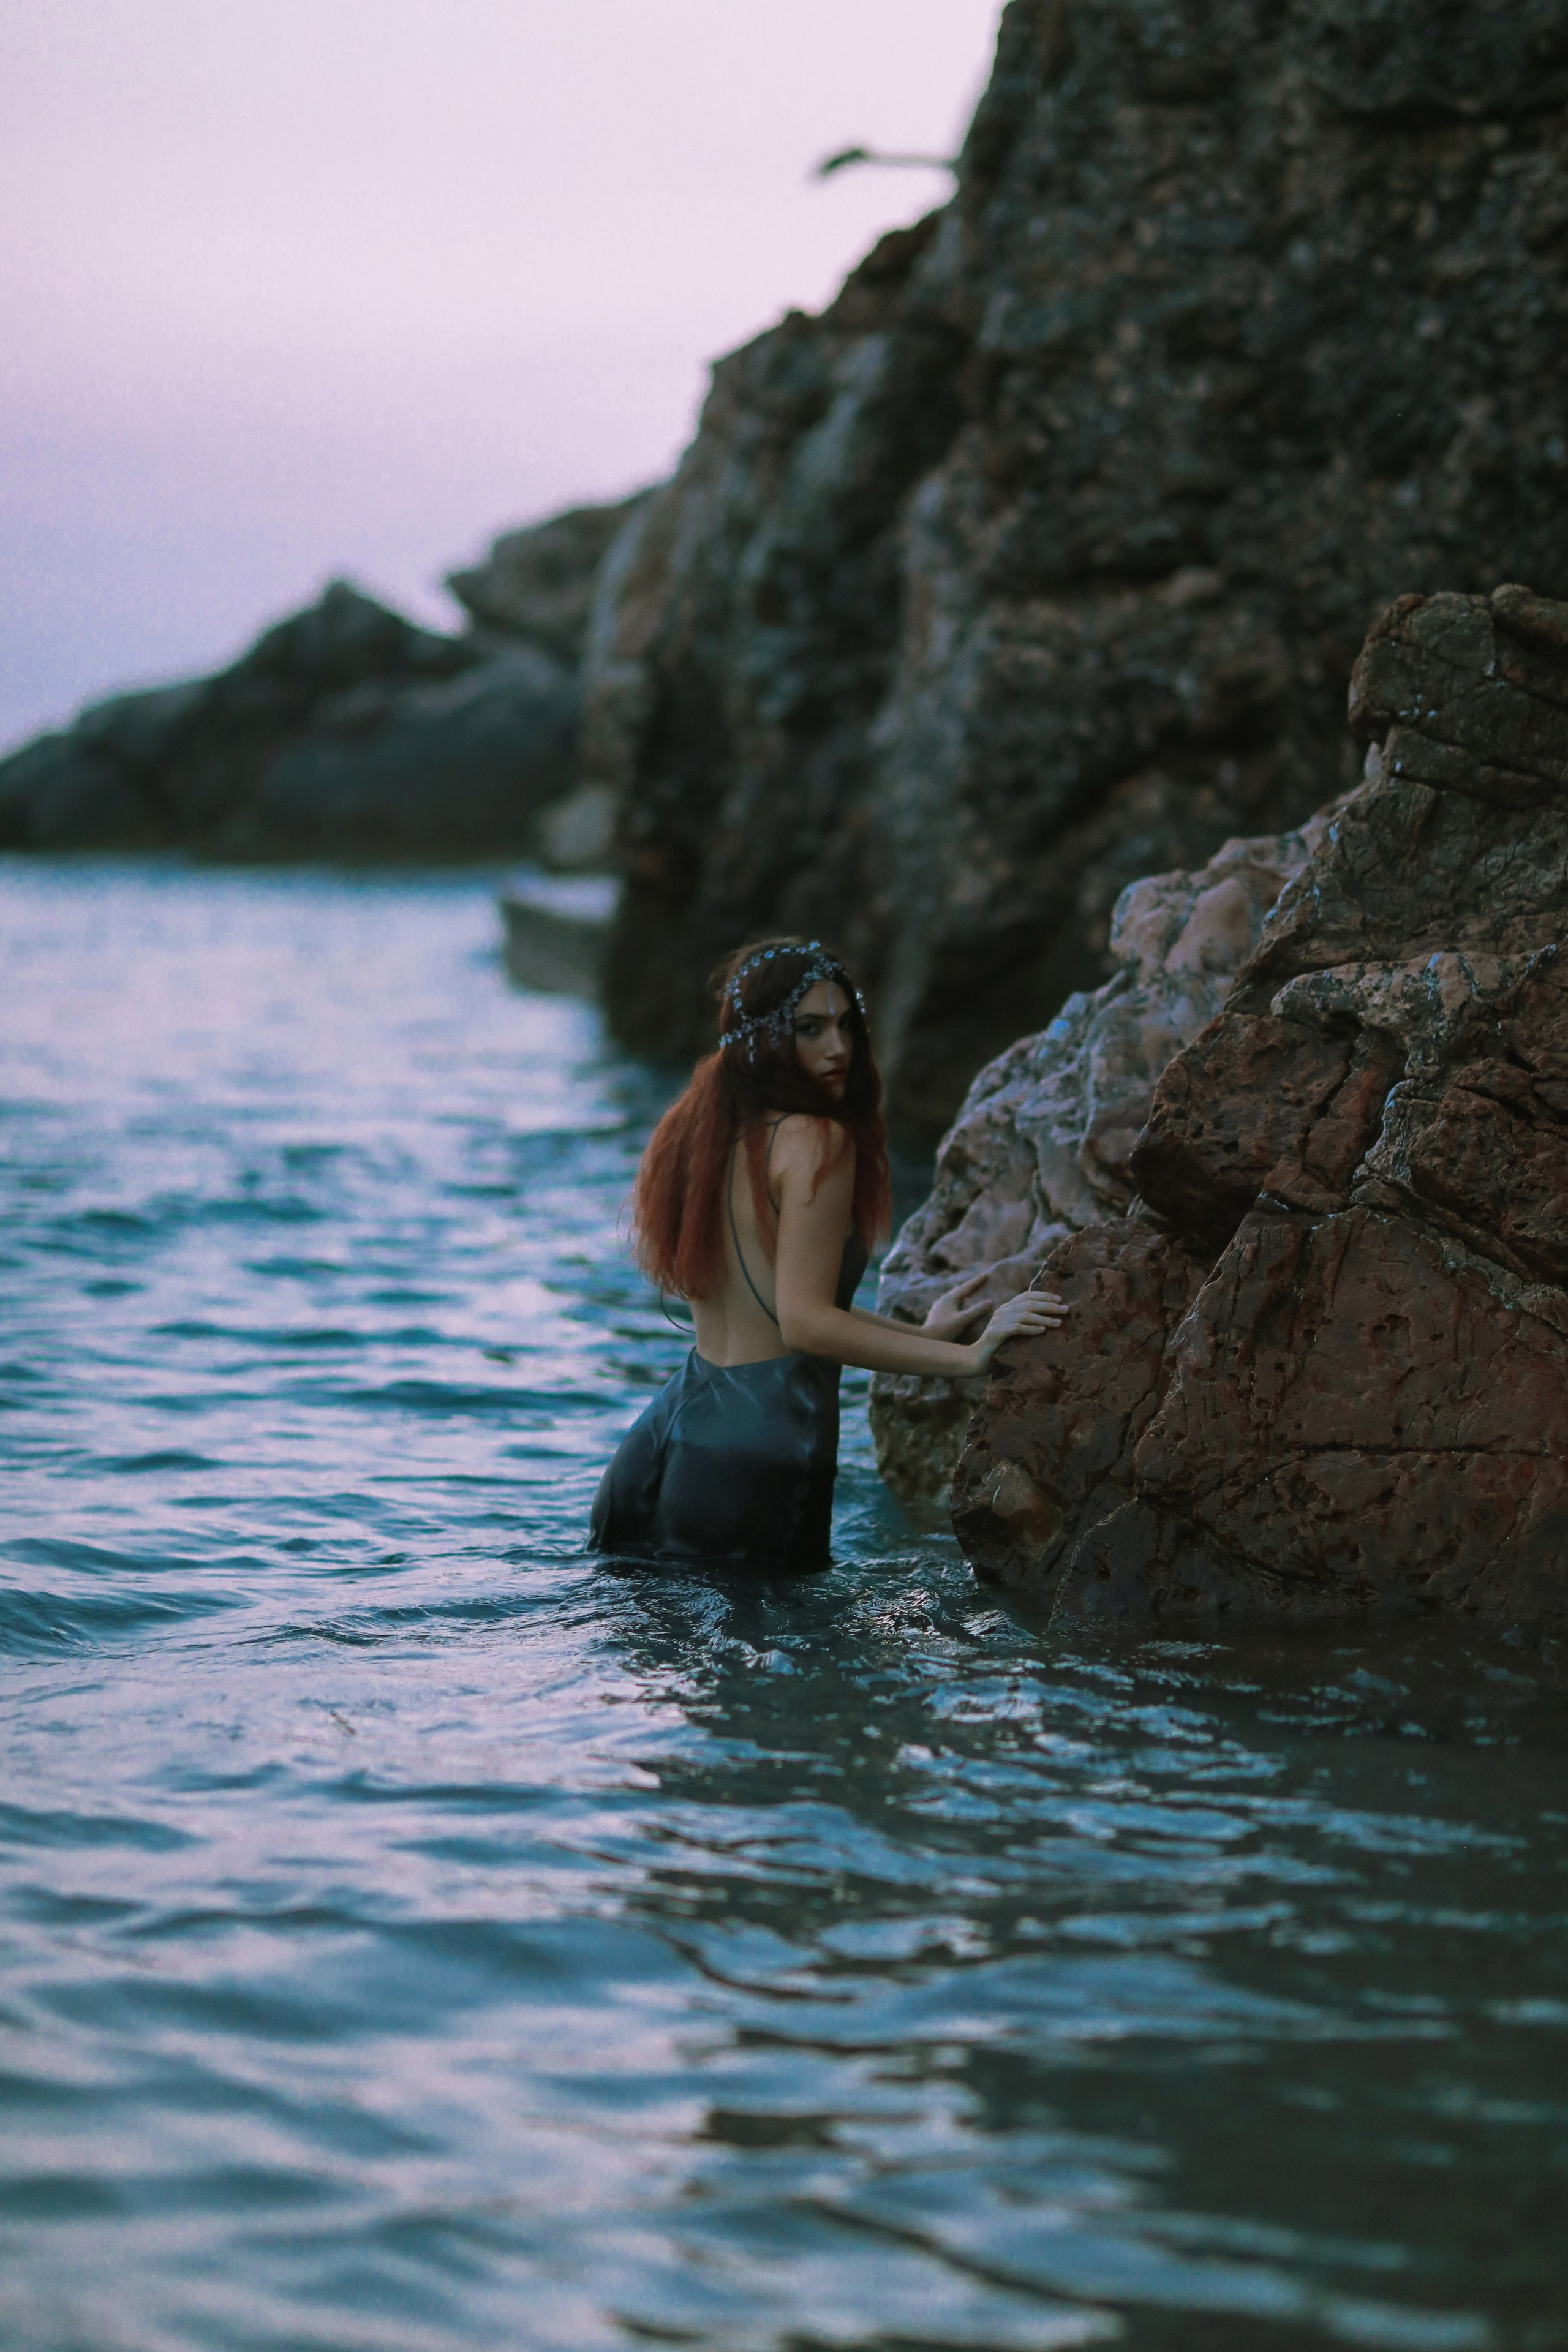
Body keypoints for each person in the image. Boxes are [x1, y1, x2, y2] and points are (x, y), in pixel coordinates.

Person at [589, 937, 1069, 1573]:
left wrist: (919, 1337)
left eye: (846, 1025)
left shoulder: (697, 1132)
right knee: (787, 1668)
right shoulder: (817, 1138)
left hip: (661, 1443)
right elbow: (805, 1324)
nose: (838, 1048)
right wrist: (967, 1358)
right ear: (761, 1037)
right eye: (810, 1029)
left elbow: (784, 1308)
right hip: (756, 1457)